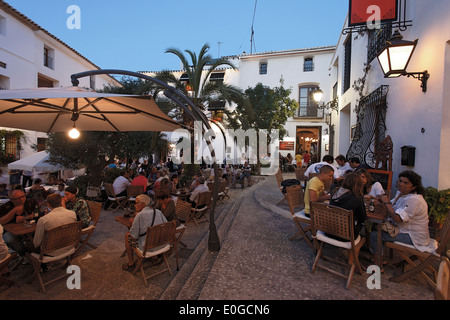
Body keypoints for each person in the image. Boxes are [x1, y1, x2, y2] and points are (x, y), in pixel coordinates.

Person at [370, 170, 435, 257]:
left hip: (412, 236)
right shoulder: (401, 193)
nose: (401, 184)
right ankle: (378, 255)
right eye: (400, 181)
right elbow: (392, 207)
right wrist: (381, 203)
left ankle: (378, 262)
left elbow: (398, 219)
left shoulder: (414, 200)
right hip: (404, 231)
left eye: (406, 183)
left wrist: (386, 203)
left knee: (375, 235)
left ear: (413, 187)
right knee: (375, 227)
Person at [122, 194, 167, 272]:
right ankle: (155, 257)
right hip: (162, 244)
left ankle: (131, 264)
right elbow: (166, 225)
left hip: (147, 247)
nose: (134, 205)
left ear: (142, 204)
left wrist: (134, 223)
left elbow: (134, 235)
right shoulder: (157, 211)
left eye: (136, 203)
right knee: (151, 233)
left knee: (127, 236)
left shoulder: (139, 215)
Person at [329, 173, 367, 240]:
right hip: (346, 236)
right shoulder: (356, 198)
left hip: (329, 230)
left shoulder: (334, 192)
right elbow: (363, 218)